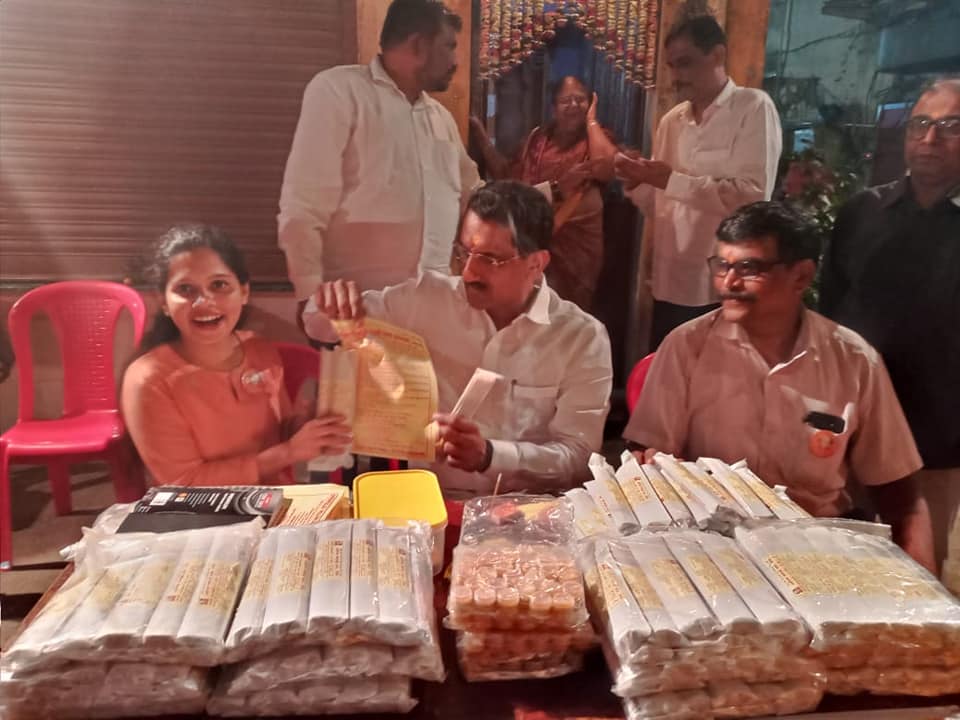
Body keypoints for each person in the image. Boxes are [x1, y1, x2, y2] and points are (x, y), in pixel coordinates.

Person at [623, 201, 935, 572]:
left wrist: (925, 590)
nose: (729, 283)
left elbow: (901, 497)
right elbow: (648, 459)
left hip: (819, 551)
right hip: (712, 551)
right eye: (721, 265)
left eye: (749, 268)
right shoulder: (687, 346)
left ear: (801, 276)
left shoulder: (854, 361)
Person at [304, 181, 613, 497]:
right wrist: (330, 303)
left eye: (490, 259)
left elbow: (579, 458)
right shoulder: (428, 300)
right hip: (431, 502)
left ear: (536, 264)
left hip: (528, 510)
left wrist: (490, 456)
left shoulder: (581, 338)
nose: (468, 272)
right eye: (464, 252)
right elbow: (317, 323)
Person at [820, 77, 960, 590]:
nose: (930, 139)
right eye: (921, 124)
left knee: (916, 580)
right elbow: (829, 315)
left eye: (950, 127)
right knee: (837, 562)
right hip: (853, 423)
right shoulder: (862, 212)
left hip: (938, 434)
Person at [278, 0, 481, 308]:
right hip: (355, 312)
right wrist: (309, 295)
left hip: (434, 309)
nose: (455, 61)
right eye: (449, 46)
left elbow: (475, 198)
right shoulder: (340, 92)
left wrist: (548, 195)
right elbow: (302, 206)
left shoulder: (441, 118)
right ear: (418, 44)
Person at [122, 225, 351, 487]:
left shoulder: (259, 350)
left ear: (244, 292)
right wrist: (288, 452)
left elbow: (280, 431)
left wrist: (307, 426)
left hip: (276, 502)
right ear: (163, 301)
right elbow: (184, 483)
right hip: (201, 510)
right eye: (185, 289)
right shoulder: (149, 380)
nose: (204, 301)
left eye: (219, 285)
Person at [614, 13, 782, 349]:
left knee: (714, 378)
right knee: (666, 375)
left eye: (685, 63)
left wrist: (669, 180)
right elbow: (661, 206)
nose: (676, 76)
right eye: (672, 66)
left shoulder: (752, 107)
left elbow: (752, 200)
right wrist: (636, 183)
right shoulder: (672, 121)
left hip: (721, 287)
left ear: (717, 55)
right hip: (669, 282)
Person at [469, 76, 618, 311]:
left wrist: (591, 121)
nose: (573, 105)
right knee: (532, 312)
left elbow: (607, 168)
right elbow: (508, 177)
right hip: (532, 240)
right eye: (566, 100)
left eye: (580, 100)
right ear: (553, 107)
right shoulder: (537, 140)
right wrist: (479, 134)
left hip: (576, 251)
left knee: (569, 316)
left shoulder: (594, 139)